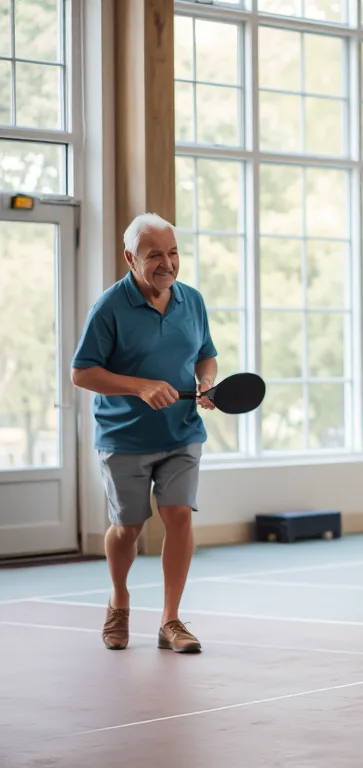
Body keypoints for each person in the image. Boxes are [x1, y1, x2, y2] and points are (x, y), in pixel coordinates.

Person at [71, 212, 219, 655]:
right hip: (124, 435)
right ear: (130, 258)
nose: (168, 264)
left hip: (182, 430)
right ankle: (119, 601)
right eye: (155, 255)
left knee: (179, 516)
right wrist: (139, 386)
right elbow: (82, 373)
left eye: (173, 253)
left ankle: (170, 620)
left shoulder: (191, 300)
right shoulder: (109, 307)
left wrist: (207, 382)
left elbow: (206, 355)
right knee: (128, 526)